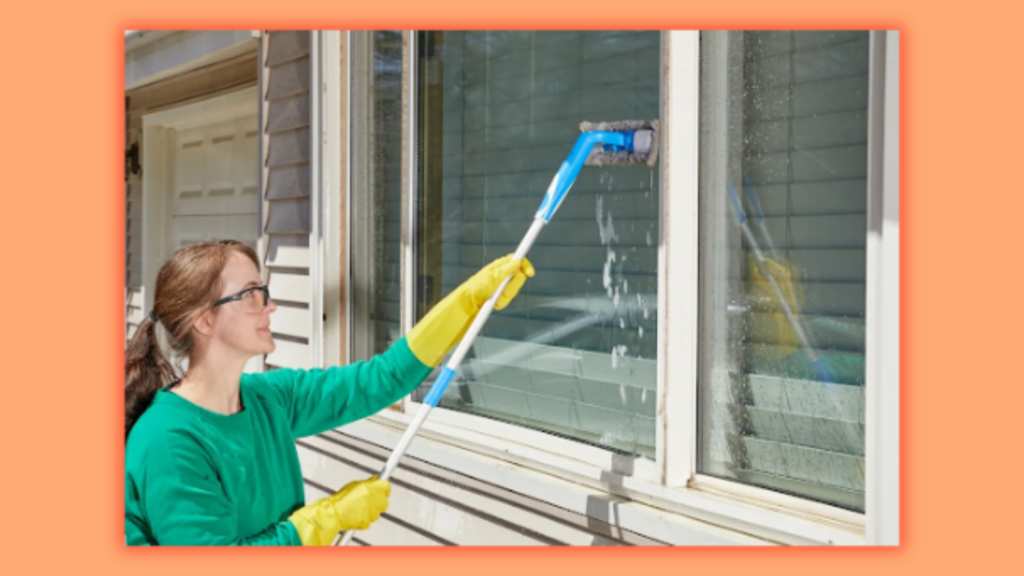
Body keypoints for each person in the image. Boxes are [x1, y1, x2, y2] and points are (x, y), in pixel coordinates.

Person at [124, 240, 534, 545]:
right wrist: (324, 520)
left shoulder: (270, 399)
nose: (270, 307)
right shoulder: (169, 440)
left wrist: (469, 301)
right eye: (250, 295)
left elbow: (381, 379)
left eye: (262, 292)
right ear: (203, 322)